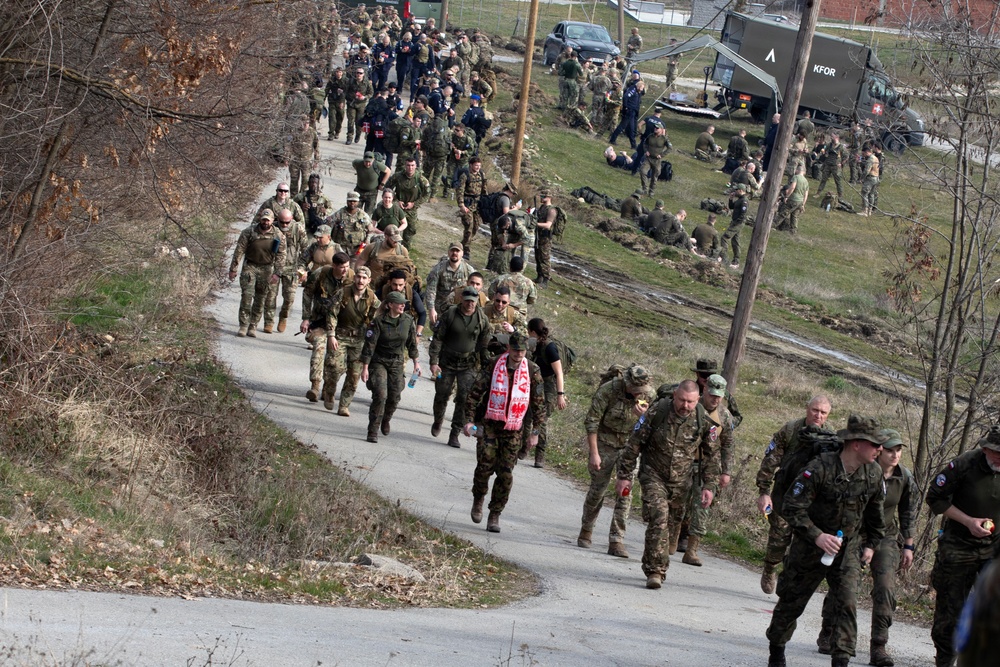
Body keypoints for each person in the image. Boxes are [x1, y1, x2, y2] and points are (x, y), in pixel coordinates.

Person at [764, 415, 888, 667]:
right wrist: (817, 536)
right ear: (856, 443)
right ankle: (776, 650)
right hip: (810, 547)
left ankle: (841, 660)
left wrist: (871, 545)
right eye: (875, 445)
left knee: (847, 604)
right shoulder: (819, 468)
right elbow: (791, 507)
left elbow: (876, 516)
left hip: (848, 549)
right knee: (791, 601)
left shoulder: (873, 473)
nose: (880, 450)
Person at [813, 428, 916, 664]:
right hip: (854, 533)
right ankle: (829, 630)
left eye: (898, 450)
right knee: (844, 584)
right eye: (889, 450)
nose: (895, 455)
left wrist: (908, 546)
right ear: (879, 451)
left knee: (885, 588)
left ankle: (878, 646)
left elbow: (908, 511)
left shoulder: (904, 477)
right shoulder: (864, 471)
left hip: (885, 537)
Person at [615, 380, 717, 589]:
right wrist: (624, 475)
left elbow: (711, 457)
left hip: (682, 483)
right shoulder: (656, 412)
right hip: (653, 475)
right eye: (681, 400)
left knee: (670, 526)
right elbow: (634, 444)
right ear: (674, 396)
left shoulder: (703, 421)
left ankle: (658, 561)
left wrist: (709, 486)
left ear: (697, 400)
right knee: (658, 518)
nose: (685, 405)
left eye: (690, 402)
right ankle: (655, 571)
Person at [926, 425, 1000, 667]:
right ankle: (945, 660)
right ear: (986, 449)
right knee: (951, 611)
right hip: (958, 546)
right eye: (997, 453)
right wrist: (968, 521)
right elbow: (935, 497)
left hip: (994, 549)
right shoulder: (965, 464)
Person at [464, 332, 546, 533]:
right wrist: (468, 421)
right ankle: (479, 498)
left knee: (506, 473)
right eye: (515, 349)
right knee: (484, 467)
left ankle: (495, 514)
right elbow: (475, 392)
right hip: (490, 424)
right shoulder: (494, 364)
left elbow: (539, 405)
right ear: (509, 348)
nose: (518, 354)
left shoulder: (532, 371)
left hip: (514, 428)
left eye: (522, 351)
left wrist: (535, 432)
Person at [756, 395, 834, 595]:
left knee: (803, 544)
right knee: (779, 538)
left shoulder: (831, 440)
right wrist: (764, 492)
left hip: (811, 502)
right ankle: (770, 567)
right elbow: (770, 461)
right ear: (807, 408)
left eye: (823, 412)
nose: (818, 415)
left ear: (828, 415)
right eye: (815, 410)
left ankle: (789, 580)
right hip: (784, 494)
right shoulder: (790, 430)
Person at [578, 364, 653, 557]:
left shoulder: (649, 396)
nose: (638, 394)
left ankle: (616, 539)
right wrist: (594, 453)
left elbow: (652, 427)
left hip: (629, 446)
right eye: (635, 390)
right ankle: (586, 529)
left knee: (625, 492)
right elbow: (592, 422)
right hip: (605, 443)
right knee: (598, 489)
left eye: (641, 391)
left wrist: (643, 418)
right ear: (626, 384)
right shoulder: (609, 390)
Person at [680, 374, 735, 567]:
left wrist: (726, 471)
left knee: (703, 504)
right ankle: (672, 539)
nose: (715, 399)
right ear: (704, 390)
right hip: (683, 460)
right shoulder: (691, 406)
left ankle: (692, 549)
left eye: (719, 396)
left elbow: (728, 444)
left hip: (708, 465)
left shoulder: (725, 416)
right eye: (712, 395)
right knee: (677, 502)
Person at [428, 287, 490, 448]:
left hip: (468, 364)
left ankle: (455, 433)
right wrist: (434, 361)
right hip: (447, 362)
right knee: (442, 394)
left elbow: (484, 345)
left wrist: (486, 367)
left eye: (473, 301)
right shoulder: (450, 314)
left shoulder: (482, 319)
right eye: (467, 300)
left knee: (464, 398)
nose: (470, 304)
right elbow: (438, 339)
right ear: (461, 299)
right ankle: (438, 419)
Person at [359, 290, 419, 443]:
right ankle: (372, 430)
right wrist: (365, 367)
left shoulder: (408, 321)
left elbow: (412, 343)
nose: (403, 305)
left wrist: (416, 363)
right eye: (399, 303)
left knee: (395, 395)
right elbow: (369, 345)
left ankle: (386, 418)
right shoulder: (378, 322)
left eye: (404, 303)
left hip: (397, 362)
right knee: (380, 394)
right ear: (390, 305)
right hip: (379, 361)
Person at [323, 266, 381, 416]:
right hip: (340, 336)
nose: (360, 281)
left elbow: (376, 321)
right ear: (354, 278)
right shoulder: (343, 293)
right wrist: (331, 335)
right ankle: (329, 391)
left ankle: (344, 405)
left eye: (364, 278)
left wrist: (372, 342)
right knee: (334, 367)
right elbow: (332, 314)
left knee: (354, 375)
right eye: (358, 277)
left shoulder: (372, 299)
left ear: (369, 281)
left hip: (359, 340)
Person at [300, 252, 353, 403]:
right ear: (334, 265)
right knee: (318, 348)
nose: (345, 270)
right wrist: (305, 318)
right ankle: (315, 386)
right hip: (320, 323)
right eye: (342, 267)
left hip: (341, 326)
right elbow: (307, 293)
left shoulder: (352, 278)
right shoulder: (321, 274)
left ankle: (328, 388)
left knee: (336, 361)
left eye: (347, 267)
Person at [228, 208, 285, 337]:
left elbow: (282, 256)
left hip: (267, 268)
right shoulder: (249, 232)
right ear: (260, 219)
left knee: (260, 299)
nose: (265, 222)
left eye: (268, 220)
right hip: (250, 266)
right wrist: (233, 269)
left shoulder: (278, 235)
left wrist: (277, 273)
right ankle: (243, 325)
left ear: (272, 221)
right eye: (263, 219)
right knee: (247, 296)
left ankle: (253, 325)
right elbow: (239, 251)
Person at [524, 318, 568, 468]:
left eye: (528, 331)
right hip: (534, 383)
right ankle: (523, 448)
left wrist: (560, 395)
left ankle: (539, 456)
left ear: (533, 332)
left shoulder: (550, 348)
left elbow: (559, 373)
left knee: (541, 421)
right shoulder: (532, 345)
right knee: (527, 416)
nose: (527, 334)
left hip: (549, 386)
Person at [269, 208, 308, 333]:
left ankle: (283, 317)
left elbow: (306, 250)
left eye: (287, 222)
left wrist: (303, 269)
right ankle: (269, 321)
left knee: (289, 298)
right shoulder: (272, 228)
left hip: (292, 268)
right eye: (282, 222)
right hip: (274, 267)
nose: (284, 225)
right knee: (270, 297)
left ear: (291, 220)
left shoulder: (298, 229)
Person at [385, 157, 430, 248]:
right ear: (405, 166)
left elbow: (427, 194)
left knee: (410, 230)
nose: (410, 168)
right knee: (392, 229)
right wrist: (396, 201)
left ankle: (405, 250)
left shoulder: (421, 179)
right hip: (397, 207)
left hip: (412, 209)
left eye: (412, 165)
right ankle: (390, 247)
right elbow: (388, 189)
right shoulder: (397, 176)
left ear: (416, 166)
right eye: (408, 165)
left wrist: (415, 204)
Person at [329, 190, 376, 258]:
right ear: (347, 201)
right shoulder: (340, 213)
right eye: (350, 201)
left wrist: (367, 240)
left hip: (357, 248)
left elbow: (371, 229)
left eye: (354, 201)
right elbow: (328, 225)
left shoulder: (363, 215)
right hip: (341, 248)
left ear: (358, 202)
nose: (352, 203)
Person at [457, 157, 487, 255]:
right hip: (467, 205)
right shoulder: (465, 175)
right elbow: (460, 191)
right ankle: (466, 249)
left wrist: (486, 202)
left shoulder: (482, 175)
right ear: (471, 165)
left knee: (476, 227)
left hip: (477, 205)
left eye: (479, 165)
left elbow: (484, 190)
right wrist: (461, 205)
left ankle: (464, 243)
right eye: (476, 165)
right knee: (469, 227)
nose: (478, 167)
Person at [534, 190, 562, 288]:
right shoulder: (542, 208)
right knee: (537, 256)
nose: (541, 197)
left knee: (544, 258)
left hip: (545, 237)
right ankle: (539, 276)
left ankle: (545, 280)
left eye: (543, 196)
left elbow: (548, 225)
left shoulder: (552, 210)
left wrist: (535, 224)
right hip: (538, 235)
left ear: (548, 197)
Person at [285, 118, 320, 196]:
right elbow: (288, 145)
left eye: (307, 123)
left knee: (306, 181)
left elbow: (316, 147)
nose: (305, 125)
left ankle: (301, 197)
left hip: (306, 161)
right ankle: (293, 198)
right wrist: (286, 158)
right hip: (295, 160)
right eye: (304, 122)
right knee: (294, 180)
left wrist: (316, 160)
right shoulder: (294, 131)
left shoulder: (312, 132)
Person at [720, 184, 750, 269]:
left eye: (736, 190)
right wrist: (730, 199)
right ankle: (736, 261)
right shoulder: (739, 200)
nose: (735, 192)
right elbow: (732, 206)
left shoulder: (744, 200)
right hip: (735, 222)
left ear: (741, 190)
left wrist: (736, 223)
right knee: (735, 241)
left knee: (724, 237)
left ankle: (723, 257)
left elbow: (743, 213)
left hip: (738, 223)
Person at [352, 151, 391, 215]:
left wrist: (382, 184)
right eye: (366, 162)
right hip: (359, 191)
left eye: (369, 162)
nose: (367, 164)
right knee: (355, 212)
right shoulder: (358, 163)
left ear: (373, 160)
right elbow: (354, 164)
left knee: (368, 215)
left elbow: (388, 171)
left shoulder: (377, 165)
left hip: (372, 193)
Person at [609, 80, 644, 149]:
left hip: (633, 112)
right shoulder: (633, 90)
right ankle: (612, 139)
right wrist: (626, 107)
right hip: (629, 111)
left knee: (631, 128)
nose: (642, 89)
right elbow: (625, 97)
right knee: (622, 126)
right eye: (642, 87)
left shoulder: (637, 91)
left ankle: (633, 145)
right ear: (639, 86)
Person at [775, 164, 809, 234]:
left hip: (793, 199)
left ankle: (773, 225)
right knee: (794, 217)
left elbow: (792, 187)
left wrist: (787, 196)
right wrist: (803, 204)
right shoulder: (806, 181)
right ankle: (793, 231)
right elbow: (806, 194)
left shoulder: (795, 177)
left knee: (783, 213)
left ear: (797, 170)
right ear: (804, 172)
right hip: (800, 201)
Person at [345, 66, 374, 144]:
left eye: (360, 73)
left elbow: (371, 93)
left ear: (363, 74)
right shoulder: (351, 81)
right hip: (351, 103)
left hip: (361, 105)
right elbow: (345, 91)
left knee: (359, 121)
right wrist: (349, 97)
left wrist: (364, 97)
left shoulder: (367, 82)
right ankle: (349, 137)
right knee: (350, 121)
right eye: (357, 73)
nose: (358, 74)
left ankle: (358, 135)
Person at [640, 127, 671, 197]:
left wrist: (662, 155)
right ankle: (644, 189)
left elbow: (670, 148)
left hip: (657, 160)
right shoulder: (650, 136)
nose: (655, 129)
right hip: (648, 158)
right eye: (655, 127)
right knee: (643, 171)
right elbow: (644, 143)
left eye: (657, 128)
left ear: (661, 130)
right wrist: (646, 151)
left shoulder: (664, 139)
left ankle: (651, 191)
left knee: (655, 175)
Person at [818, 133, 847, 199]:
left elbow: (846, 156)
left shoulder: (841, 147)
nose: (831, 138)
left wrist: (841, 164)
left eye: (832, 137)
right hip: (828, 164)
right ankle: (818, 192)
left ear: (836, 137)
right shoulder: (829, 145)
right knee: (823, 179)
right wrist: (824, 153)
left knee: (838, 181)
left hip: (836, 166)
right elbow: (825, 151)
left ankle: (840, 195)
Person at [858, 144, 880, 217]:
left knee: (864, 193)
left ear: (867, 152)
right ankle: (870, 211)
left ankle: (865, 211)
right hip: (876, 178)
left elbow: (867, 170)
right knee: (871, 194)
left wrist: (861, 178)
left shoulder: (870, 159)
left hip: (870, 178)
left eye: (863, 154)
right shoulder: (875, 158)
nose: (863, 155)